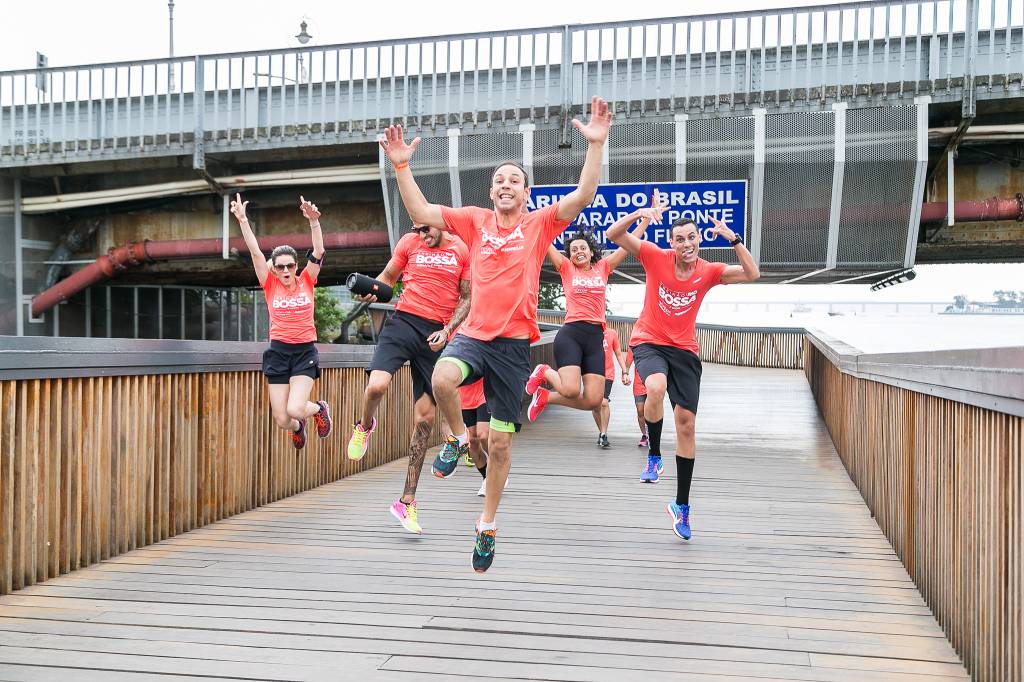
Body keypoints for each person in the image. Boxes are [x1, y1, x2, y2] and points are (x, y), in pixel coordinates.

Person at [378, 95, 612, 572]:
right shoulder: (474, 221)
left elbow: (582, 196)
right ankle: (456, 439)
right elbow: (421, 208)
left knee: (501, 444)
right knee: (442, 378)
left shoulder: (539, 225)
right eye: (500, 180)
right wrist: (401, 166)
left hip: (512, 348)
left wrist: (595, 145)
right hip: (474, 335)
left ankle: (486, 525)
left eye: (514, 181)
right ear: (491, 192)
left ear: (526, 193)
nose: (506, 185)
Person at [608, 203, 760, 541]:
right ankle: (655, 455)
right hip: (649, 342)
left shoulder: (708, 271)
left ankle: (682, 506)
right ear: (671, 242)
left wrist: (734, 239)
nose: (686, 244)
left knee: (687, 425)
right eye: (680, 239)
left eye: (692, 237)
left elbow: (752, 273)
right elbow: (613, 234)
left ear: (699, 240)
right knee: (656, 387)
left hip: (685, 351)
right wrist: (640, 215)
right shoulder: (655, 257)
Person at [345, 222, 471, 535]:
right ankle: (364, 426)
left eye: (426, 229)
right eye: (417, 230)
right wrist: (374, 289)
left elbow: (467, 298)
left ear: (440, 223)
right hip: (402, 323)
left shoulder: (461, 249)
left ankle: (406, 501)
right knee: (377, 386)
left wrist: (448, 330)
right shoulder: (409, 242)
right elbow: (388, 277)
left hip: (435, 334)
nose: (422, 235)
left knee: (425, 420)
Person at [523, 212, 653, 425]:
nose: (578, 252)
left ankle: (545, 397)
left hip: (595, 338)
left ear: (591, 251)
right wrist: (526, 211)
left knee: (594, 400)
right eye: (573, 250)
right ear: (569, 255)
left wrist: (646, 219)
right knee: (571, 390)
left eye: (582, 248)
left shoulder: (603, 267)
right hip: (572, 334)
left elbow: (628, 244)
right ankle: (544, 371)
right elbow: (543, 237)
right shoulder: (566, 267)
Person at [229, 193, 332, 450]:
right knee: (283, 419)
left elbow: (318, 251)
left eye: (290, 266)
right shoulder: (270, 284)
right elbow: (255, 252)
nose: (286, 271)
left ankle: (318, 409)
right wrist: (243, 220)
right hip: (278, 353)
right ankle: (298, 428)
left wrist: (314, 221)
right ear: (274, 269)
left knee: (296, 408)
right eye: (281, 267)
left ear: (296, 266)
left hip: (304, 352)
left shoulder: (307, 279)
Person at [589, 326, 628, 448]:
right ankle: (602, 433)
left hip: (608, 373)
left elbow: (618, 354)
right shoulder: (588, 332)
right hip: (592, 372)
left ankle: (604, 433)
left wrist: (625, 372)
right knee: (595, 405)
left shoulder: (612, 333)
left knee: (604, 402)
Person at [624, 348, 650, 450]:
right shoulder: (635, 344)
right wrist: (625, 374)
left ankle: (652, 434)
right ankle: (645, 435)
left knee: (652, 410)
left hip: (652, 382)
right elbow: (628, 363)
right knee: (640, 410)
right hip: (639, 383)